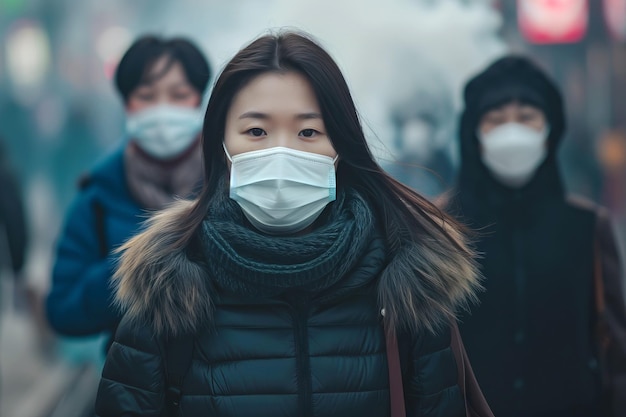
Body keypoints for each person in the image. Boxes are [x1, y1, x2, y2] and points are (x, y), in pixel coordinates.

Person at [94, 31, 492, 417]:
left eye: (308, 132)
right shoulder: (169, 288)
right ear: (220, 144)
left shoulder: (405, 283)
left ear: (341, 144)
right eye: (255, 131)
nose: (280, 151)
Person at [448, 55, 626, 417]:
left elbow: (615, 349)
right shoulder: (442, 226)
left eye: (527, 118)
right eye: (495, 121)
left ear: (549, 131)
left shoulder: (588, 226)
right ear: (475, 135)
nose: (511, 132)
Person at [45, 35, 212, 342]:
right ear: (127, 103)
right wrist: (133, 264)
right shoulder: (99, 197)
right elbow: (62, 311)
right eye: (147, 96)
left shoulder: (227, 185)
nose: (163, 110)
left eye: (179, 95)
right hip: (133, 383)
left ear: (199, 100)